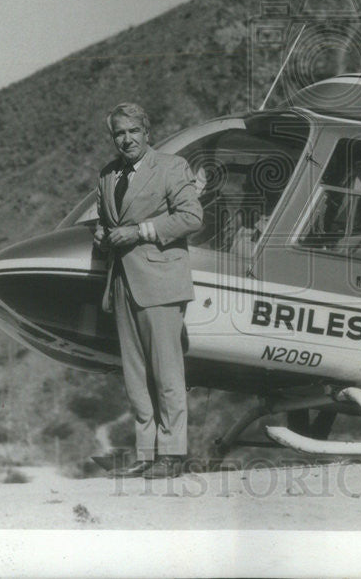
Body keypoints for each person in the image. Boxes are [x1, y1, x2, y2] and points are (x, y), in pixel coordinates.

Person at [91, 102, 203, 479]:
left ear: (147, 132)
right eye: (119, 133)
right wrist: (103, 235)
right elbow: (105, 221)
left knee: (167, 371)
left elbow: (191, 217)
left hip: (160, 282)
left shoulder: (172, 167)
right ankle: (146, 452)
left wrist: (140, 231)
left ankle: (172, 455)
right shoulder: (108, 175)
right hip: (122, 281)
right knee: (135, 375)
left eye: (133, 131)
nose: (126, 139)